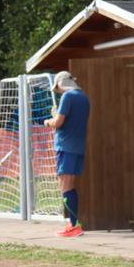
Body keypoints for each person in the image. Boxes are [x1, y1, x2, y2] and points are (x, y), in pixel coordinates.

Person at [43, 70, 90, 237]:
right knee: (70, 185)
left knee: (64, 186)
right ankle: (74, 224)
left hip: (65, 147)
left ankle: (73, 226)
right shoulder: (84, 97)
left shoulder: (68, 97)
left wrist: (48, 121)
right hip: (78, 148)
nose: (59, 92)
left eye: (58, 89)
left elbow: (59, 122)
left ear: (61, 84)